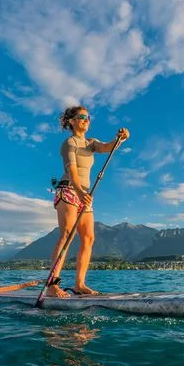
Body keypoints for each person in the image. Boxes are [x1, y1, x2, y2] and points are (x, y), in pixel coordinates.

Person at [47, 106, 130, 298]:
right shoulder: (69, 143)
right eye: (82, 117)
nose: (86, 120)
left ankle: (79, 284)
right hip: (68, 190)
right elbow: (72, 171)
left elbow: (108, 147)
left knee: (88, 238)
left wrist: (122, 138)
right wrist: (78, 191)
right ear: (72, 121)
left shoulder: (90, 143)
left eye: (88, 117)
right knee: (67, 234)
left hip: (84, 194)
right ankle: (52, 285)